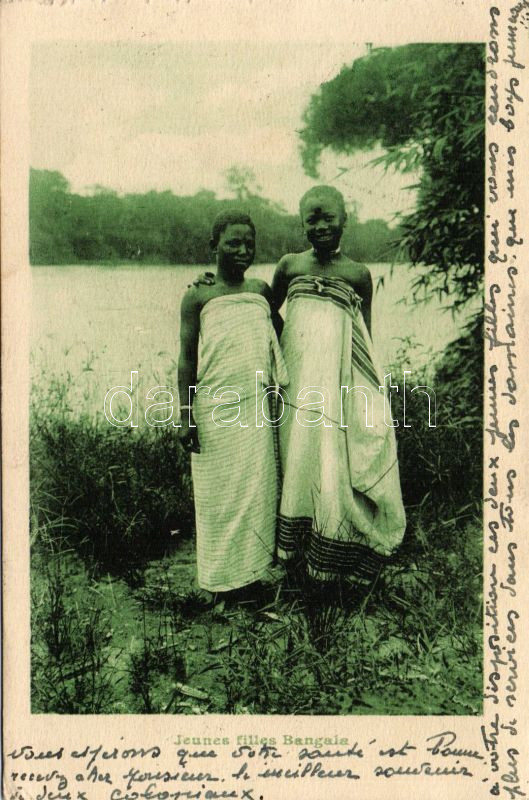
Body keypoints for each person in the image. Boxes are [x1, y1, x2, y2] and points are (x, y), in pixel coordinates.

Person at [270, 185, 406, 585]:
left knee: (330, 455)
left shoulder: (357, 274)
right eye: (311, 218)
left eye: (328, 216)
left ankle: (332, 544)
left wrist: (362, 389)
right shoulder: (289, 266)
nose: (321, 225)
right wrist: (288, 344)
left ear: (345, 219)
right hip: (296, 379)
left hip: (336, 381)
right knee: (295, 450)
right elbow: (266, 309)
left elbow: (365, 336)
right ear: (301, 224)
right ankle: (292, 548)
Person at [177, 211, 287, 598]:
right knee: (215, 496)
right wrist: (186, 416)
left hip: (255, 408)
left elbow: (280, 334)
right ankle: (219, 583)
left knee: (257, 491)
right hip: (213, 409)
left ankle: (252, 575)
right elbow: (187, 359)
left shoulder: (259, 291)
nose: (243, 250)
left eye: (249, 244)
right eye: (232, 243)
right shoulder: (197, 296)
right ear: (213, 246)